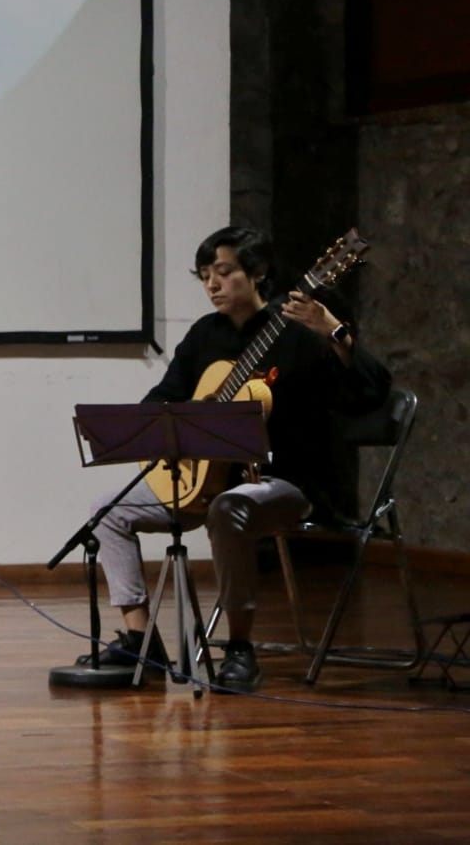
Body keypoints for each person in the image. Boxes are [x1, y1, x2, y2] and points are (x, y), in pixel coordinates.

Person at [80, 225, 391, 692]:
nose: (212, 284)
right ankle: (140, 643)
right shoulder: (205, 335)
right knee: (107, 510)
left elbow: (370, 392)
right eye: (205, 275)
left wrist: (334, 331)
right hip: (205, 479)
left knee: (230, 509)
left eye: (223, 272)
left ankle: (241, 648)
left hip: (287, 482)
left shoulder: (300, 333)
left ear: (258, 272)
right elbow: (162, 399)